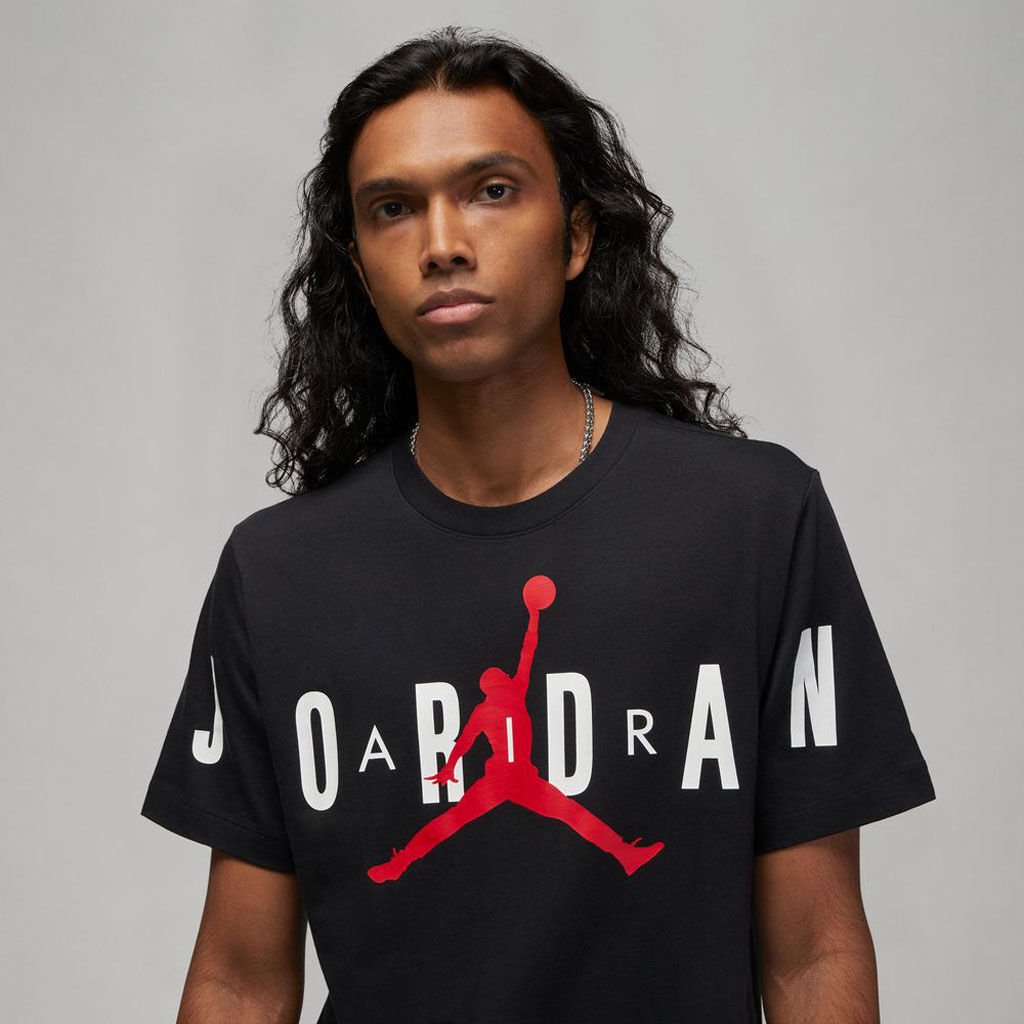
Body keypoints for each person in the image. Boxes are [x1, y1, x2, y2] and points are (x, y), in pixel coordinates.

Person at [140, 24, 936, 1024]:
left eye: (491, 189)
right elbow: (239, 980)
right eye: (393, 208)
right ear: (362, 264)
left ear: (577, 236)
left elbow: (815, 953)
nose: (441, 243)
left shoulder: (753, 522)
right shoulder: (279, 574)